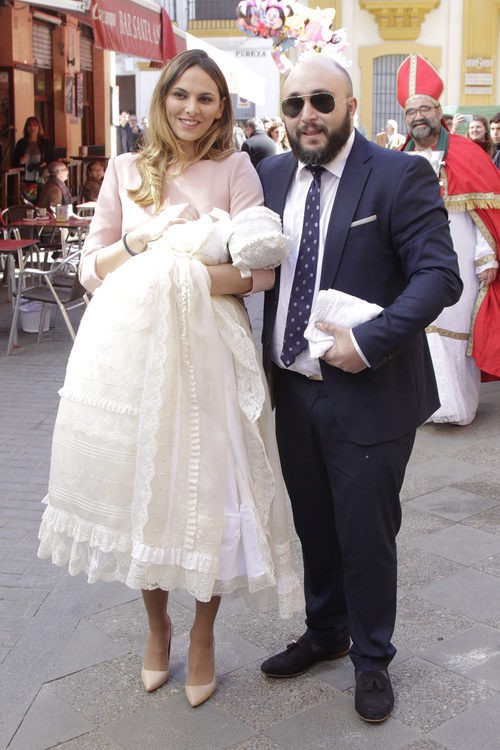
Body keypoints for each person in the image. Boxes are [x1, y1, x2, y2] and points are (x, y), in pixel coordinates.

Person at [37, 49, 302, 709]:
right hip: (134, 352)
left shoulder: (237, 169)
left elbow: (259, 272)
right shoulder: (125, 169)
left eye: (206, 98)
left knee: (211, 488)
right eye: (181, 94)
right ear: (163, 99)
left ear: (221, 108)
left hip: (212, 352)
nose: (192, 108)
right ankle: (156, 627)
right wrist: (138, 243)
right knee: (145, 486)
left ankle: (204, 634)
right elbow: (89, 271)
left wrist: (171, 272)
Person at [256, 54, 462, 723]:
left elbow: (439, 276)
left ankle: (372, 657)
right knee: (314, 522)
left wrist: (369, 342)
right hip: (294, 386)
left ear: (350, 106)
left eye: (322, 101)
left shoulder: (399, 175)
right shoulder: (271, 175)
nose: (307, 115)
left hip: (371, 387)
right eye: (294, 104)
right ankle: (326, 632)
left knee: (366, 532)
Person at [399, 54, 500, 422]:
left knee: (455, 325)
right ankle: (424, 405)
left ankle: (457, 405)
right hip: (413, 258)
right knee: (420, 324)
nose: (418, 117)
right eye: (411, 111)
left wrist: (486, 255)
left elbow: (486, 211)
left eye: (424, 109)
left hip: (460, 254)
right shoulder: (398, 158)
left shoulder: (467, 153)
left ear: (438, 111)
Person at [12, 116, 55, 202]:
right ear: (26, 128)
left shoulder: (46, 143)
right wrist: (20, 161)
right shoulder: (21, 143)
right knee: (30, 202)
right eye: (30, 125)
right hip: (27, 177)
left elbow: (52, 159)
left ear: (39, 127)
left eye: (35, 125)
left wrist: (46, 165)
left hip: (41, 176)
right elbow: (13, 161)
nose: (32, 128)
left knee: (41, 201)